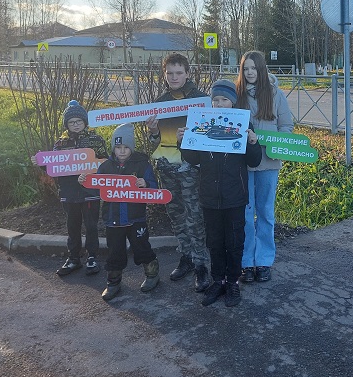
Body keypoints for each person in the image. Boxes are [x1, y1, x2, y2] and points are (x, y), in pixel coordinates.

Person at [179, 80, 262, 307]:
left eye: (224, 99)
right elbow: (193, 158)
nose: (219, 104)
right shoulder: (203, 124)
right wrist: (184, 141)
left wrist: (253, 142)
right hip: (209, 196)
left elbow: (254, 161)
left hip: (234, 197)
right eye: (215, 100)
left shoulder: (245, 125)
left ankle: (233, 282)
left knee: (235, 242)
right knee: (214, 242)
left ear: (233, 102)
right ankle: (219, 281)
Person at [145, 53, 211, 293]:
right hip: (167, 168)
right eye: (169, 73)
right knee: (176, 215)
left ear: (187, 73)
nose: (174, 77)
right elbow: (156, 143)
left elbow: (210, 137)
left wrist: (192, 137)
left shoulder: (202, 101)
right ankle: (186, 257)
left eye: (178, 73)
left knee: (195, 217)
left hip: (192, 168)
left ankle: (201, 265)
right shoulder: (160, 102)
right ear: (164, 75)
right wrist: (153, 132)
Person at [80, 123, 160, 302]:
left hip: (136, 218)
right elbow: (95, 190)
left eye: (126, 147)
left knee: (142, 247)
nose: (122, 151)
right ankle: (113, 282)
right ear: (113, 148)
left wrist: (145, 184)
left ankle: (152, 274)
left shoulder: (142, 164)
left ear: (131, 147)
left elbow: (154, 188)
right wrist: (85, 181)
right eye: (118, 147)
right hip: (113, 219)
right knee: (114, 251)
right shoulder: (105, 167)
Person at [235, 51, 293, 283]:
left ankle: (264, 261)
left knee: (266, 214)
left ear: (262, 70)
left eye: (253, 68)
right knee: (246, 215)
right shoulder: (236, 95)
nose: (249, 73)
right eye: (245, 69)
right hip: (243, 166)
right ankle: (247, 262)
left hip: (269, 164)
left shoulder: (275, 95)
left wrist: (270, 142)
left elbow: (286, 126)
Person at [46, 100, 109, 277]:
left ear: (85, 122)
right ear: (67, 124)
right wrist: (41, 164)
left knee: (91, 225)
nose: (75, 125)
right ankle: (73, 257)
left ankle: (92, 257)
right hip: (68, 192)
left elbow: (104, 163)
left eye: (79, 121)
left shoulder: (96, 140)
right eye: (71, 122)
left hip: (90, 191)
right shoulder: (60, 143)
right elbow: (53, 166)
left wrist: (91, 175)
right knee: (72, 225)